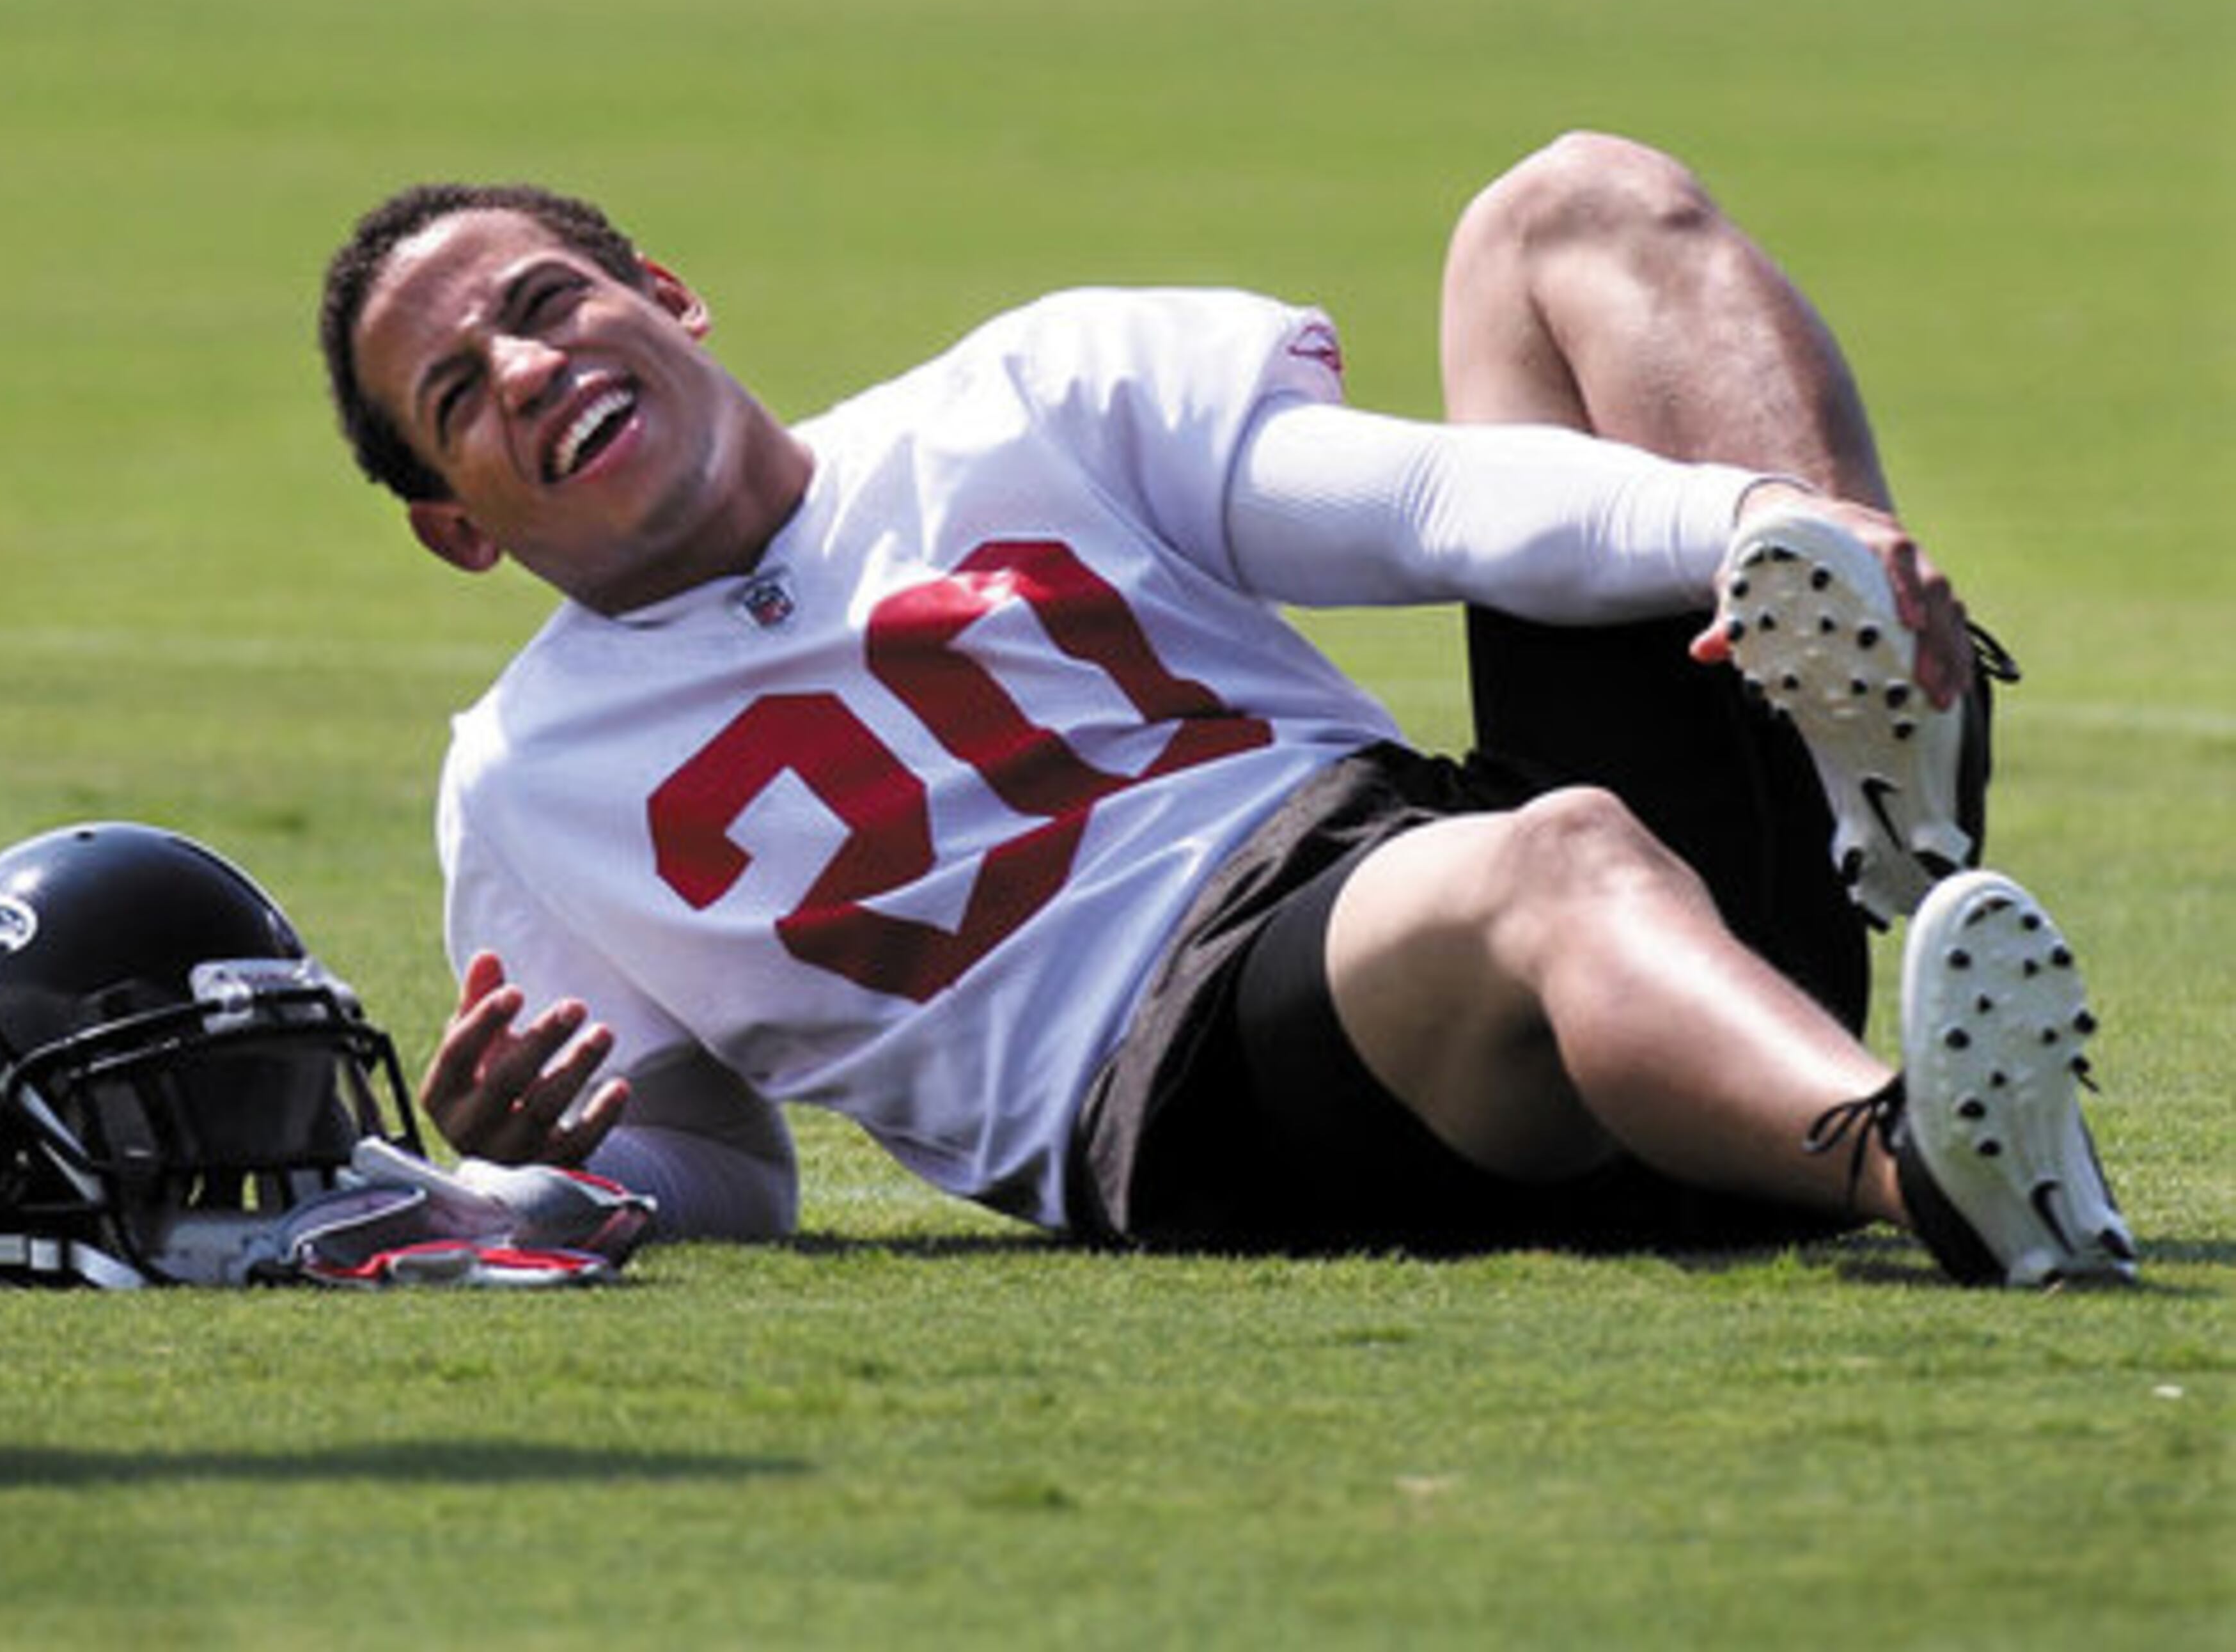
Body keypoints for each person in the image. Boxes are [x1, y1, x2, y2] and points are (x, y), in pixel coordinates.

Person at [315, 130, 2134, 1286]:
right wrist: (553, 1164)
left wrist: (1751, 520)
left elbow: (1422, 504)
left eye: (550, 303)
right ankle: (1920, 1159)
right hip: (1183, 1073)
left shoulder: (1027, 392)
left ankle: (1872, 710)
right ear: (455, 526)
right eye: (463, 388)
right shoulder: (524, 786)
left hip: (1446, 886)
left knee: (1568, 212)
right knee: (1552, 862)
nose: (536, 368)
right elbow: (719, 1167)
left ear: (667, 295)